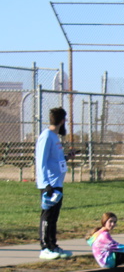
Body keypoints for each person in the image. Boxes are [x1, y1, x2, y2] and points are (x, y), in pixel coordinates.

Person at [35, 106, 72, 260]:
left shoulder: (55, 137)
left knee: (54, 217)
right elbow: (41, 161)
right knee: (47, 215)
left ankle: (53, 245)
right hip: (49, 184)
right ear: (62, 121)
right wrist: (45, 184)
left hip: (57, 183)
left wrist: (67, 157)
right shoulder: (46, 136)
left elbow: (55, 159)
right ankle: (44, 248)